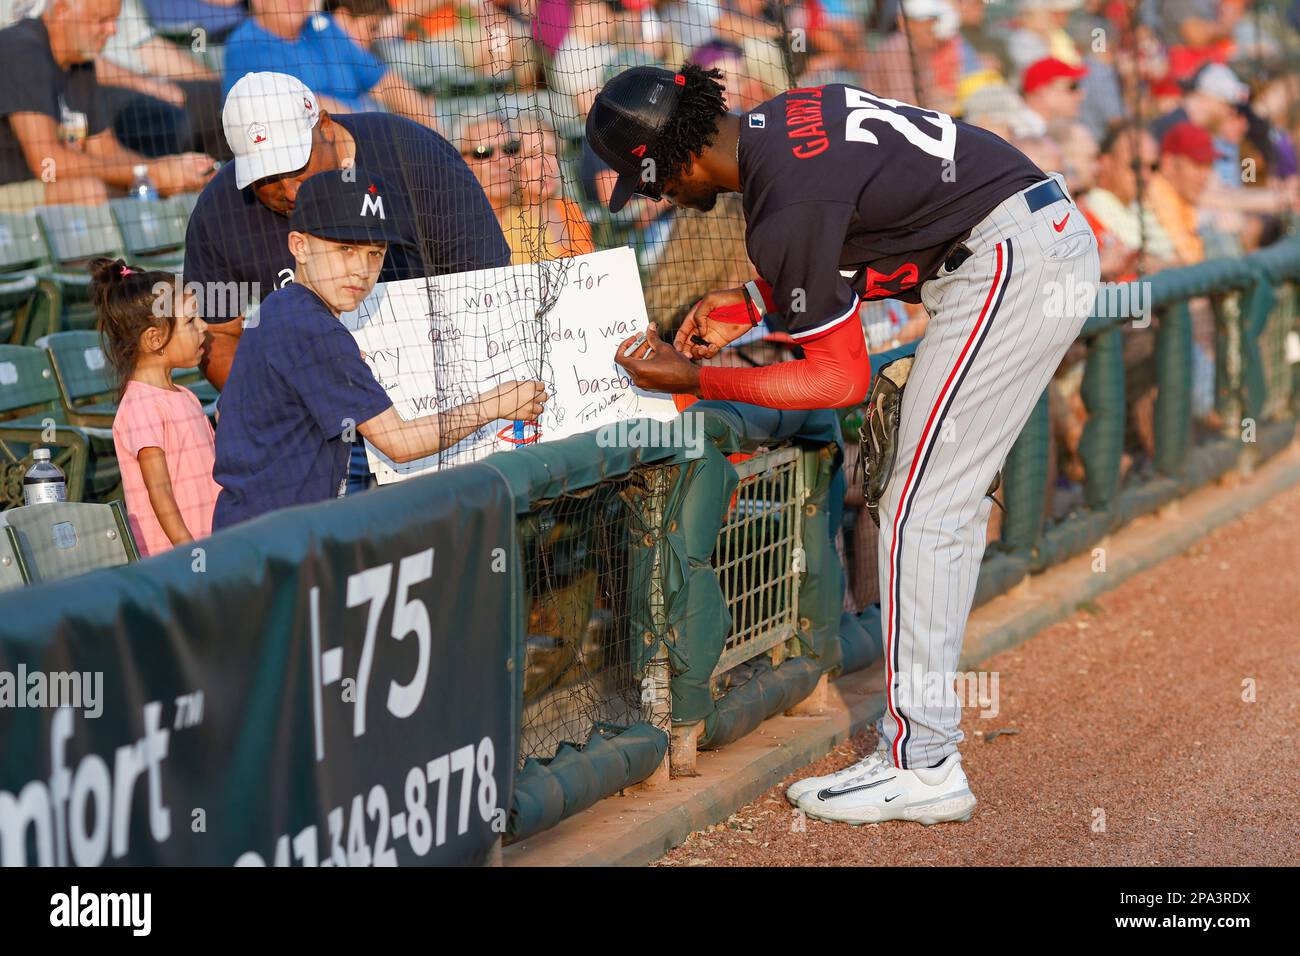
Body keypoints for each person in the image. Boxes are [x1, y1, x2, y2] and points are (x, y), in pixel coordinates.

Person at [594, 63, 1100, 824]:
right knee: (935, 507)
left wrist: (696, 380)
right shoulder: (788, 116)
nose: (663, 198)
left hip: (1007, 262)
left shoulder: (780, 208)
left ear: (677, 162)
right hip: (1025, 240)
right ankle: (924, 750)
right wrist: (758, 303)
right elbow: (866, 218)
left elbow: (837, 383)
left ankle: (921, 762)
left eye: (656, 183)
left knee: (918, 512)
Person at [211, 170, 547, 529]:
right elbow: (399, 442)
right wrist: (494, 405)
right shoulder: (312, 328)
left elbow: (224, 412)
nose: (362, 270)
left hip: (251, 532)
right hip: (270, 546)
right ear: (300, 246)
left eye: (375, 253)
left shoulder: (280, 308)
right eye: (345, 249)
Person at [183, 71, 510, 391]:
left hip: (443, 374)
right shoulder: (221, 209)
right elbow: (218, 336)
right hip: (312, 404)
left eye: (297, 166)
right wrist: (269, 405)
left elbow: (487, 285)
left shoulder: (413, 155)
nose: (291, 191)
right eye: (266, 177)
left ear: (324, 126)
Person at [0, 0, 216, 211]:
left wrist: (170, 169)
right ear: (62, 10)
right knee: (90, 191)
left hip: (49, 186)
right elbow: (47, 162)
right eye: (101, 20)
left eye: (114, 20)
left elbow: (106, 150)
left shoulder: (81, 61)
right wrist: (149, 172)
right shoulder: (22, 49)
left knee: (154, 188)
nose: (112, 30)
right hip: (12, 190)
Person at [91, 258, 221, 558]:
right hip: (176, 561)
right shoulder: (141, 406)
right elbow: (159, 492)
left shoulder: (185, 396)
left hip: (213, 544)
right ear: (154, 338)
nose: (203, 327)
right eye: (191, 321)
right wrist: (189, 549)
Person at [221, 0, 441, 131]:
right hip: (311, 158)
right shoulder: (244, 45)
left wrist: (433, 133)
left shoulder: (323, 28)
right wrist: (370, 129)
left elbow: (387, 84)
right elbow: (303, 104)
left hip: (366, 136)